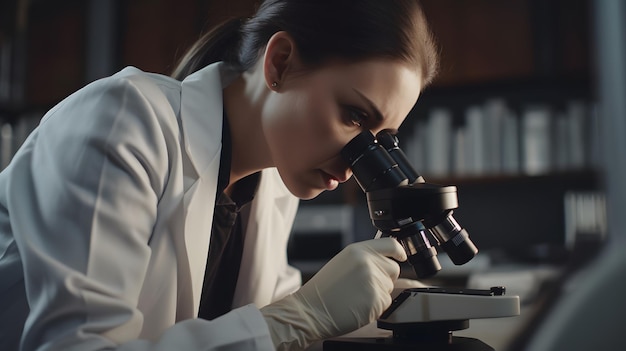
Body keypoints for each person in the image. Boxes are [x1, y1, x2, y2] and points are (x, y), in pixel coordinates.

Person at [0, 0, 439, 350]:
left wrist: (359, 311)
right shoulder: (122, 119)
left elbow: (258, 324)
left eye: (384, 139)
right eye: (355, 116)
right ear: (280, 62)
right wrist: (304, 314)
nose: (358, 163)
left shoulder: (273, 181)